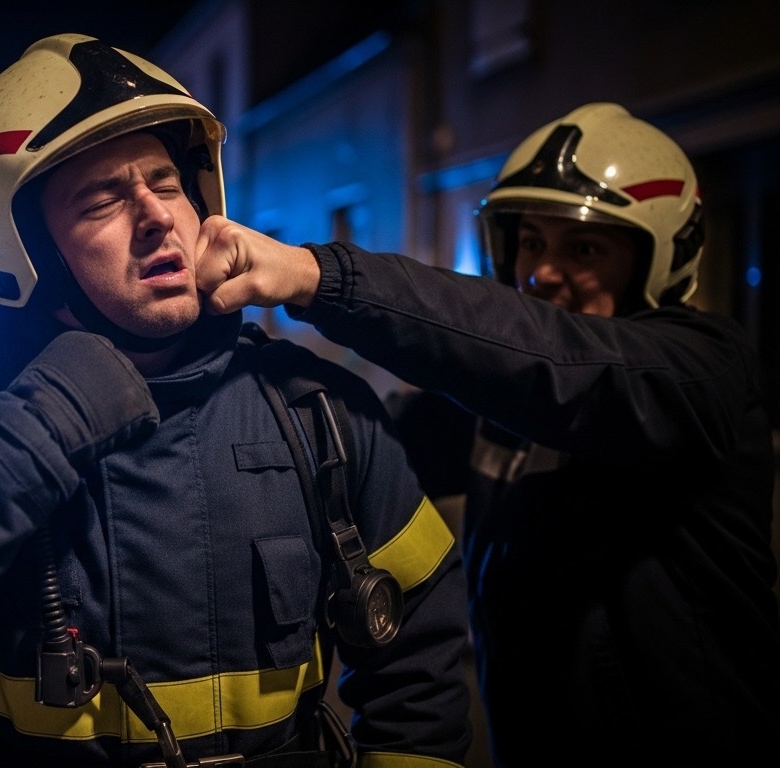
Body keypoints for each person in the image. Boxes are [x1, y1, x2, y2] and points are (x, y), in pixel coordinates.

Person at [0, 33, 473, 768]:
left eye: (165, 183)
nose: (158, 215)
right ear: (26, 252)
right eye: (103, 199)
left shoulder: (319, 412)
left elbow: (422, 670)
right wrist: (43, 419)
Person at [195, 102, 780, 766]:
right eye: (529, 242)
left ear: (660, 256)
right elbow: (343, 454)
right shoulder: (504, 397)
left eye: (583, 248)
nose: (541, 273)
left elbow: (562, 365)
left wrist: (316, 276)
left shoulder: (701, 372)